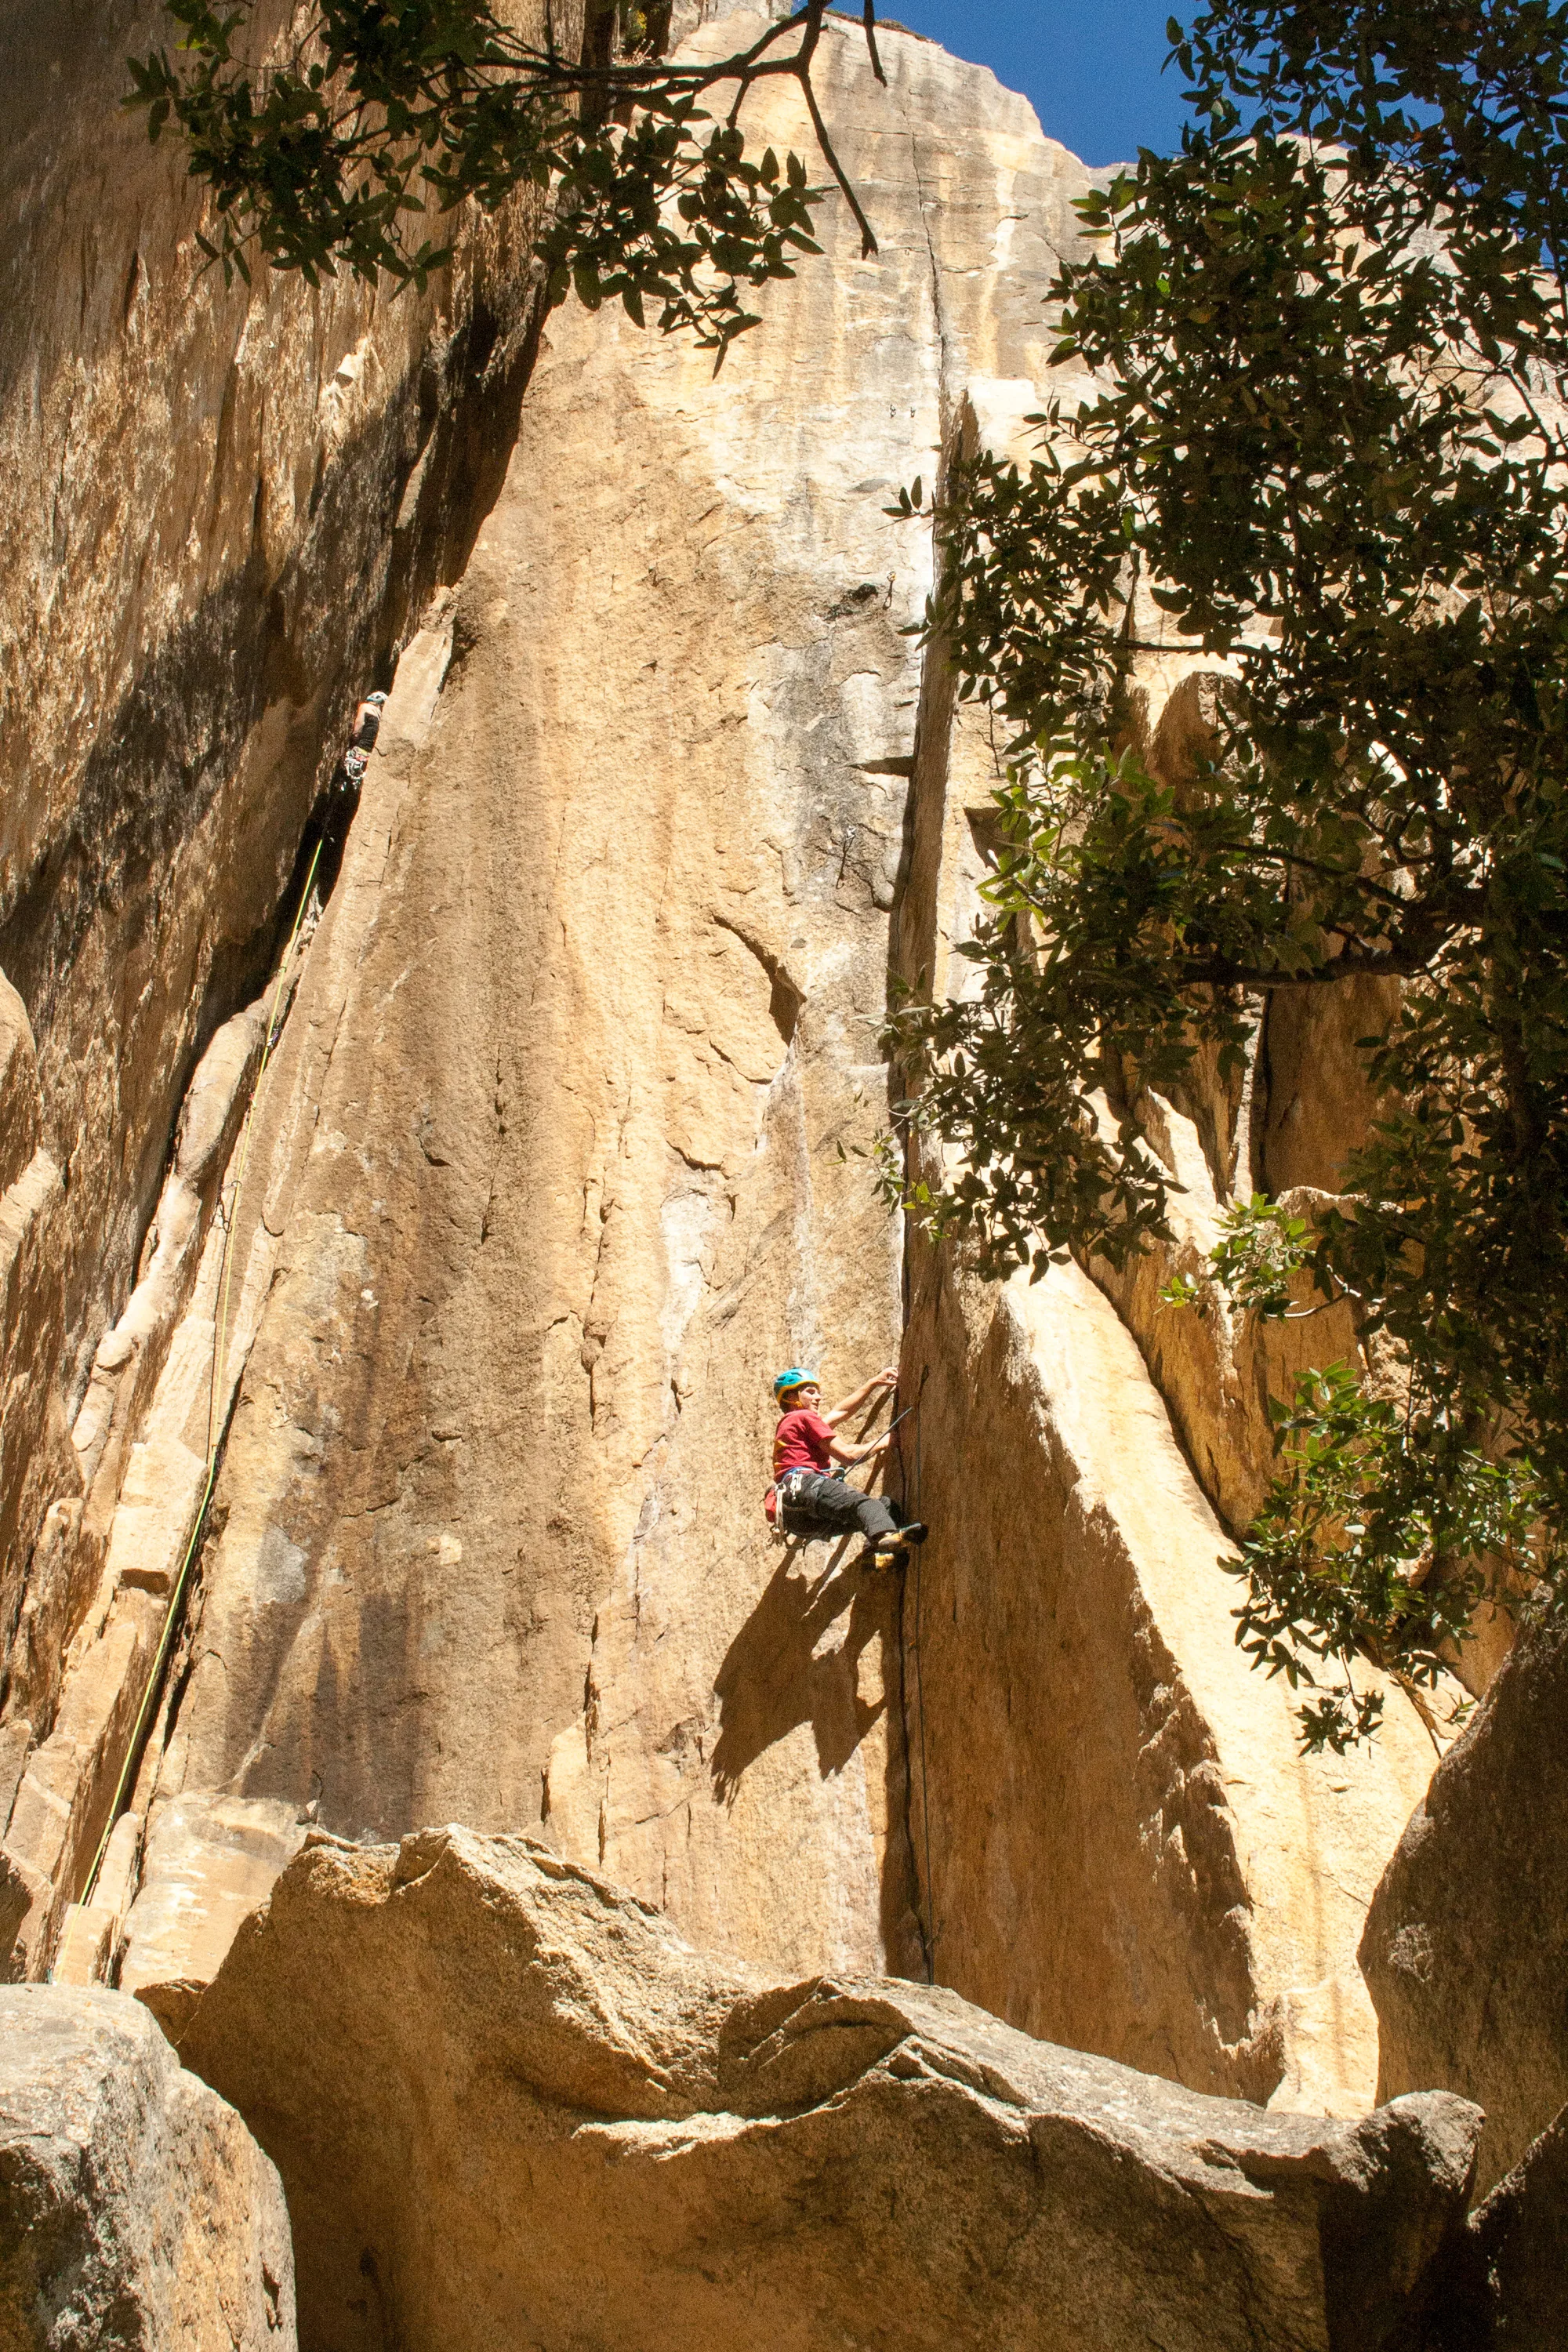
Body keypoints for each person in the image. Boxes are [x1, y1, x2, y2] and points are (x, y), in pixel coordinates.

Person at [769, 1366, 927, 1558]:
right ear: (791, 1397)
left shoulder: (791, 1426)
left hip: (796, 1518)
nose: (818, 1398)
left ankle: (875, 1555)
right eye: (810, 1392)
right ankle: (885, 1537)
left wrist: (873, 1383)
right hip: (805, 1487)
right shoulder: (804, 1417)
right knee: (867, 1506)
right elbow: (848, 1455)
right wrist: (884, 1442)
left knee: (884, 1508)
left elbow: (840, 1412)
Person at [343, 689, 387, 786]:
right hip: (368, 753)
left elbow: (359, 726)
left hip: (359, 749)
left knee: (345, 778)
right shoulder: (380, 716)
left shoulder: (365, 707)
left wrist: (353, 739)